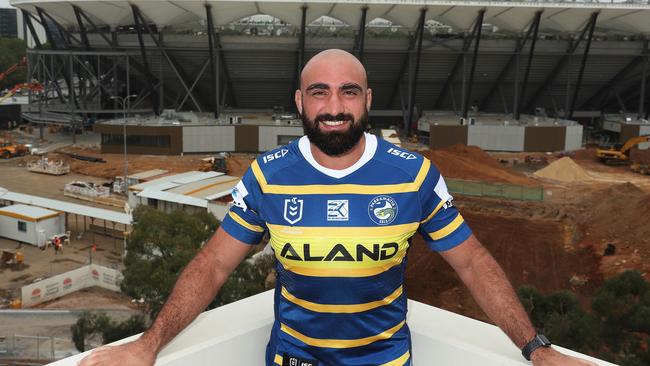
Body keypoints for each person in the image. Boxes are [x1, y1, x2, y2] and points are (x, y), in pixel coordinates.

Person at [79, 49, 597, 366]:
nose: (333, 107)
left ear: (367, 99)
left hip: (384, 361)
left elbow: (473, 262)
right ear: (299, 102)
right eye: (319, 93)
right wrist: (148, 344)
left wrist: (537, 349)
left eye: (348, 92)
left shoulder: (413, 174)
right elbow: (213, 264)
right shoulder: (266, 175)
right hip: (292, 359)